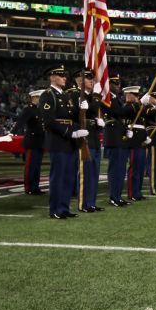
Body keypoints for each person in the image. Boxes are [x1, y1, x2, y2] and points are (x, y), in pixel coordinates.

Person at [39, 65, 84, 218]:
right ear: (52, 77)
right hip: (58, 141)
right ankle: (55, 209)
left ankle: (64, 208)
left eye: (65, 75)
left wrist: (81, 110)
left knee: (68, 176)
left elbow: (71, 117)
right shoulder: (48, 95)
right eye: (61, 75)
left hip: (70, 142)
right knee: (58, 177)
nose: (65, 78)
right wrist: (70, 133)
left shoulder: (65, 95)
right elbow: (49, 121)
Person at [76, 69, 104, 213]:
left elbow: (94, 110)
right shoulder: (76, 95)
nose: (92, 81)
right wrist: (97, 95)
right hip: (84, 139)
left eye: (92, 78)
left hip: (94, 137)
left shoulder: (90, 96)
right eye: (88, 78)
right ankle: (83, 204)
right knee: (85, 174)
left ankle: (91, 203)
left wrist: (98, 122)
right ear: (80, 81)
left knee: (94, 173)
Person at [103, 77, 135, 207]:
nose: (118, 85)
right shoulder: (107, 98)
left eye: (119, 83)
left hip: (119, 137)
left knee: (121, 170)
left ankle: (118, 196)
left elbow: (120, 116)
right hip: (113, 138)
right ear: (108, 84)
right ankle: (113, 197)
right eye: (115, 83)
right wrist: (134, 106)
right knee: (115, 169)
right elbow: (117, 112)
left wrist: (126, 129)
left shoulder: (116, 98)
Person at [12, 89, 45, 195]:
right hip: (31, 142)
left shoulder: (41, 110)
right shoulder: (28, 110)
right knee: (30, 166)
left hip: (40, 142)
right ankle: (29, 187)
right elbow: (20, 122)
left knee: (37, 167)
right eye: (40, 98)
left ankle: (35, 187)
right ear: (34, 98)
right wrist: (13, 133)